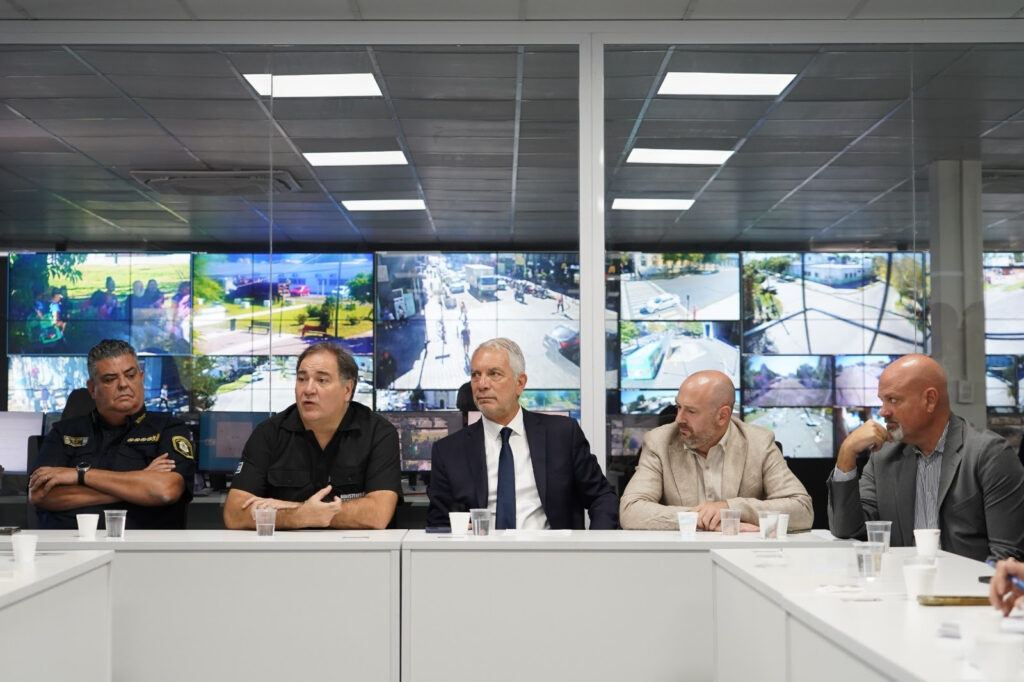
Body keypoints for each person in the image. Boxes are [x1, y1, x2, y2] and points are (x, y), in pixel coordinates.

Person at [827, 354, 1024, 561]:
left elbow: (1007, 556)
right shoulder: (883, 457)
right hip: (902, 578)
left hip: (968, 580)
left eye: (892, 400)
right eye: (882, 401)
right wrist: (847, 451)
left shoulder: (989, 455)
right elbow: (846, 529)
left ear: (930, 400)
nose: (883, 412)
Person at [427, 337, 618, 529]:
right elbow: (438, 524)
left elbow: (602, 497)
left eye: (494, 374)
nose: (482, 384)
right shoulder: (449, 451)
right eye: (476, 375)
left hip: (550, 546)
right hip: (481, 547)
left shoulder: (562, 434)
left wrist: (594, 543)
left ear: (520, 383)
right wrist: (457, 531)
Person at [223, 342, 401, 530]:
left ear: (347, 390)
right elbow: (234, 514)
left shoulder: (378, 433)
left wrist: (297, 510)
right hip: (287, 547)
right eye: (302, 379)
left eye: (321, 380)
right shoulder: (269, 433)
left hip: (357, 547)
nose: (308, 389)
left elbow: (377, 514)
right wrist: (298, 516)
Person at [28, 339, 196, 529]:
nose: (123, 384)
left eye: (130, 375)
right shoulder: (64, 432)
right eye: (110, 379)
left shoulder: (169, 429)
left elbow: (165, 490)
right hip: (70, 543)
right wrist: (139, 483)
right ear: (92, 388)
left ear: (141, 377)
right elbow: (40, 494)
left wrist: (79, 475)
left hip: (143, 544)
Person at [620, 370, 812, 531]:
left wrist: (730, 509)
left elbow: (802, 510)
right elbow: (630, 511)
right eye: (679, 407)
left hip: (743, 556)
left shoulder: (759, 443)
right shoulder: (659, 442)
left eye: (691, 411)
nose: (679, 419)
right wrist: (703, 519)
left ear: (722, 416)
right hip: (682, 555)